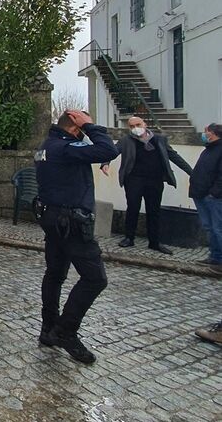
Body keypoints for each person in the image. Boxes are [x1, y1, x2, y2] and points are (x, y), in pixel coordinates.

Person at [35, 110, 119, 364]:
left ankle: (49, 329)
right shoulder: (68, 148)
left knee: (55, 274)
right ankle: (65, 331)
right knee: (95, 279)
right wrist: (92, 126)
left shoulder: (47, 147)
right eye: (81, 126)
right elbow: (108, 151)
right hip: (71, 222)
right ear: (74, 128)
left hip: (52, 218)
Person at [103, 116, 192, 254]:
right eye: (131, 126)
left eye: (138, 124)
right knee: (133, 208)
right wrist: (105, 163)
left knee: (154, 210)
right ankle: (129, 237)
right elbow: (113, 151)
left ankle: (154, 242)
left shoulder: (159, 139)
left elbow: (173, 156)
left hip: (155, 180)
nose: (135, 128)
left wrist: (192, 172)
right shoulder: (126, 140)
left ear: (144, 124)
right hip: (134, 179)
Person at [190, 123, 222, 274]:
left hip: (214, 197)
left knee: (218, 228)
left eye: (206, 131)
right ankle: (214, 257)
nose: (204, 134)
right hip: (201, 194)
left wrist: (214, 193)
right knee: (210, 228)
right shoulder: (209, 149)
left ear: (213, 134)